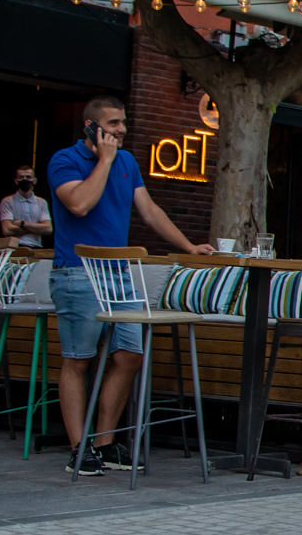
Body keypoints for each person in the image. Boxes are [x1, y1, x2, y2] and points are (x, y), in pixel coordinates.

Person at [49, 96, 215, 475]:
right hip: (77, 271)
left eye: (123, 122)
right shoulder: (65, 160)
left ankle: (106, 444)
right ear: (91, 127)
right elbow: (79, 205)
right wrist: (103, 161)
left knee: (129, 356)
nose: (121, 130)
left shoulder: (127, 162)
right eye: (113, 124)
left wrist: (188, 245)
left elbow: (150, 210)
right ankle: (79, 448)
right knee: (79, 360)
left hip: (119, 273)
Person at [0, 165, 53, 248]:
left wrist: (22, 224)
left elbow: (48, 229)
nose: (25, 179)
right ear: (16, 181)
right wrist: (36, 228)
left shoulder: (41, 202)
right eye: (21, 177)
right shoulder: (7, 201)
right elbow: (7, 230)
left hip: (36, 247)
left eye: (28, 177)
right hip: (15, 248)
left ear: (34, 181)